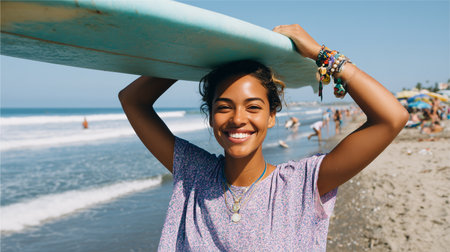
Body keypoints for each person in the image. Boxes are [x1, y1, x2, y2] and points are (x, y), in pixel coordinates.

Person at [119, 24, 408, 251]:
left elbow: (391, 117)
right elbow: (132, 100)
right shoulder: (195, 175)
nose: (237, 118)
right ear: (210, 117)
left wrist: (321, 54)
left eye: (253, 107)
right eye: (224, 107)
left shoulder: (302, 185)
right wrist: (192, 55)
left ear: (272, 115)